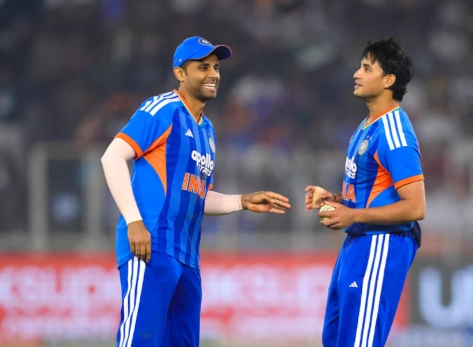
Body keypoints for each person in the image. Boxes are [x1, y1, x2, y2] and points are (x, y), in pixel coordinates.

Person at [101, 36, 290, 347]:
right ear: (180, 73)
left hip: (187, 256)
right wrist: (134, 221)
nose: (213, 74)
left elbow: (198, 196)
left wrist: (242, 201)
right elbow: (112, 157)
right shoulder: (163, 109)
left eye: (216, 67)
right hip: (151, 245)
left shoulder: (208, 130)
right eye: (203, 67)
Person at [305, 37, 425, 347]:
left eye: (367, 68)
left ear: (388, 80)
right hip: (357, 243)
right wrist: (335, 199)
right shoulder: (369, 124)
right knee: (336, 339)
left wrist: (353, 215)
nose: (357, 74)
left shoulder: (395, 133)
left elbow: (415, 207)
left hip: (381, 244)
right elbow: (374, 191)